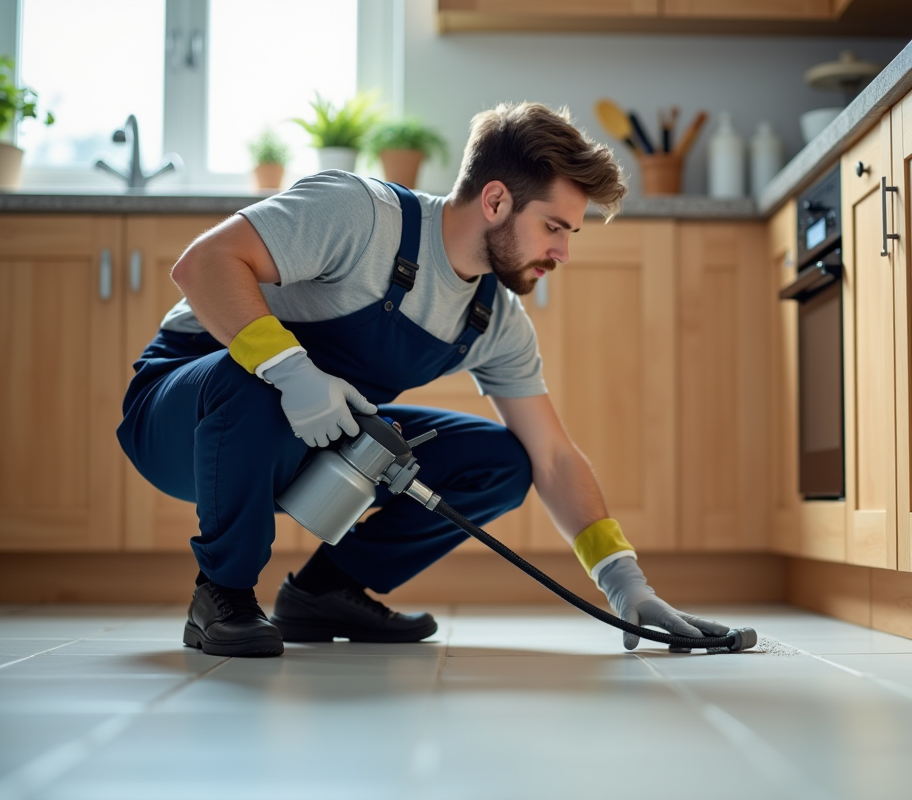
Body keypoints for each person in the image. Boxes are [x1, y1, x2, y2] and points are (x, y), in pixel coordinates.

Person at [117, 101, 731, 657]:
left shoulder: (494, 317)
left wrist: (624, 582)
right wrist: (291, 370)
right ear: (495, 202)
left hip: (312, 437)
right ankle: (221, 594)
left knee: (503, 461)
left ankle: (325, 591)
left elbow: (556, 457)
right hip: (186, 416)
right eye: (555, 228)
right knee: (253, 375)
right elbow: (203, 264)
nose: (564, 253)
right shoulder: (361, 215)